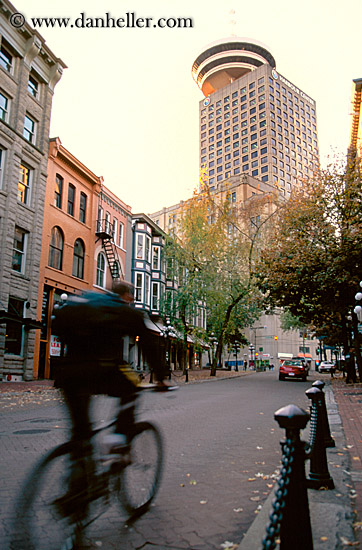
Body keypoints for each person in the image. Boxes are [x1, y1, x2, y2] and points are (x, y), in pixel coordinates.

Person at [54, 280, 173, 460]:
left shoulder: (86, 305)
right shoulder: (127, 312)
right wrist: (161, 377)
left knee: (81, 432)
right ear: (128, 296)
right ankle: (117, 439)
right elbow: (149, 347)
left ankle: (79, 475)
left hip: (68, 373)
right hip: (103, 369)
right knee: (133, 388)